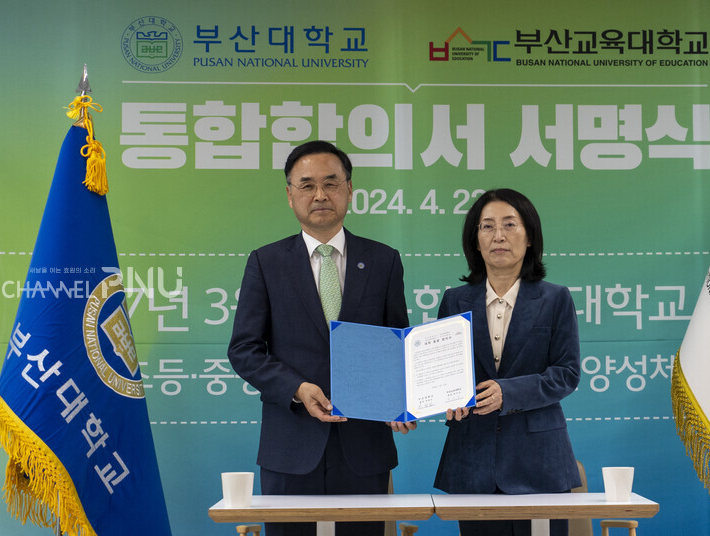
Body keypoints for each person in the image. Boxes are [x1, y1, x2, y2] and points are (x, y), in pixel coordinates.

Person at [228, 140, 415, 536]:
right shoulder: (266, 262)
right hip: (291, 447)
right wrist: (296, 388)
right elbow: (244, 349)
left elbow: (396, 345)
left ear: (349, 190)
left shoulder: (384, 261)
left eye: (331, 183)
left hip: (364, 446)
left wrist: (401, 400)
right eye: (307, 185)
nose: (320, 195)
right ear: (289, 195)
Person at [434, 188, 582, 536]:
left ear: (529, 236)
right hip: (473, 461)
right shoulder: (454, 301)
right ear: (476, 239)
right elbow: (442, 370)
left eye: (509, 225)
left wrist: (508, 393)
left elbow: (566, 373)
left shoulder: (555, 298)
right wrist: (445, 395)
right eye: (487, 226)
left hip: (539, 461)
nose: (498, 235)